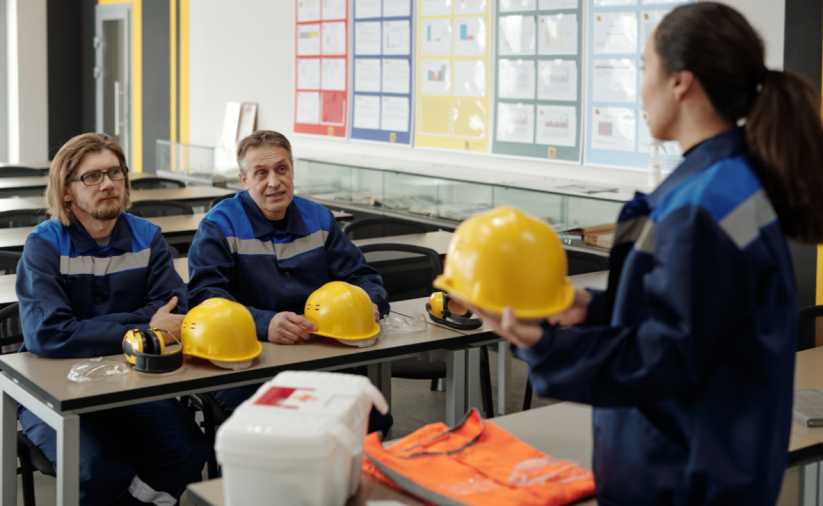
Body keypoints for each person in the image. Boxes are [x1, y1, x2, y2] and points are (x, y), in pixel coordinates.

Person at [463, 4, 823, 505]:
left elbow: (665, 357)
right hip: (718, 460)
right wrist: (593, 309)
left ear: (681, 82)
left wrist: (544, 345)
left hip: (685, 478)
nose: (639, 89)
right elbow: (703, 317)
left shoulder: (700, 204)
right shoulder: (730, 183)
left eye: (643, 68)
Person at [16, 133, 209, 505]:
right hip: (55, 387)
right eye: (92, 176)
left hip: (131, 381)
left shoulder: (147, 237)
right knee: (94, 467)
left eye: (115, 173)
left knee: (187, 449)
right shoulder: (45, 244)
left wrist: (92, 328)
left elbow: (172, 310)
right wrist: (144, 327)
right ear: (67, 191)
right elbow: (49, 335)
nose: (108, 184)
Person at [187, 130, 392, 431]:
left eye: (281, 169)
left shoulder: (319, 219)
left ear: (292, 170)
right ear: (244, 181)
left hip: (319, 353)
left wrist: (368, 301)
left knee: (371, 416)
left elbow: (361, 276)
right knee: (267, 429)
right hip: (244, 360)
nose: (274, 182)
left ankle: (345, 479)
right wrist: (263, 323)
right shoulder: (219, 226)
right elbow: (206, 297)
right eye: (261, 173)